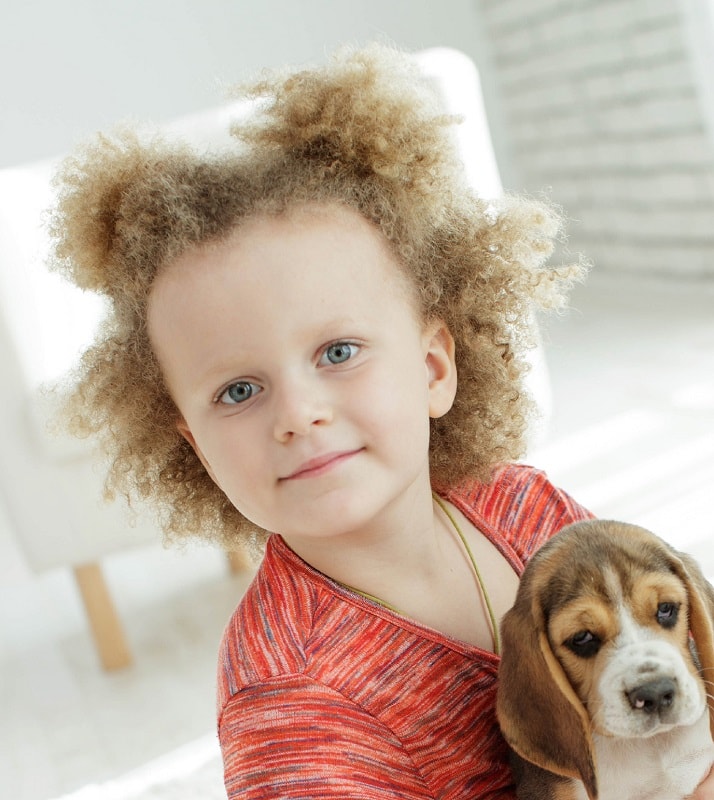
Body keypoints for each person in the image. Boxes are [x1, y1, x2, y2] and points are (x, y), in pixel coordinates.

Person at [49, 44, 714, 799]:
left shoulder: (524, 505)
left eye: (337, 351)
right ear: (195, 444)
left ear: (433, 367)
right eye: (238, 391)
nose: (300, 414)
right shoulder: (292, 704)